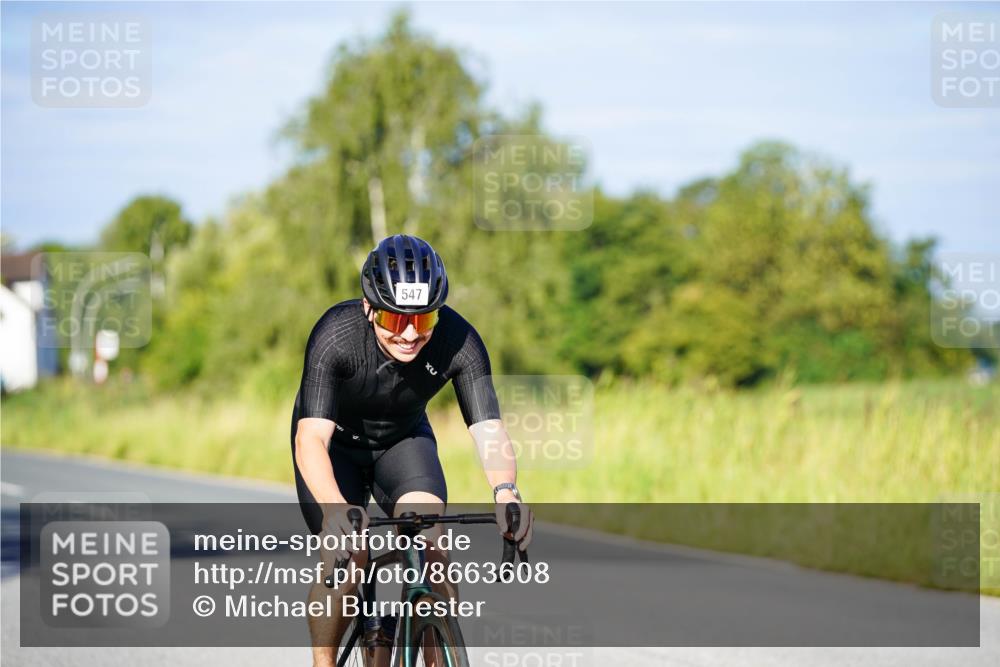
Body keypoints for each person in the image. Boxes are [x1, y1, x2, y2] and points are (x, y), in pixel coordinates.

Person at [291, 234, 533, 667]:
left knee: (433, 545)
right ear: (369, 307)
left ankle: (430, 649)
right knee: (348, 555)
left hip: (402, 441)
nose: (408, 334)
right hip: (336, 450)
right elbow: (311, 438)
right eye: (393, 318)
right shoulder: (335, 335)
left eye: (422, 321)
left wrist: (506, 492)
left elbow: (489, 428)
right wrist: (333, 509)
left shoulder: (459, 340)